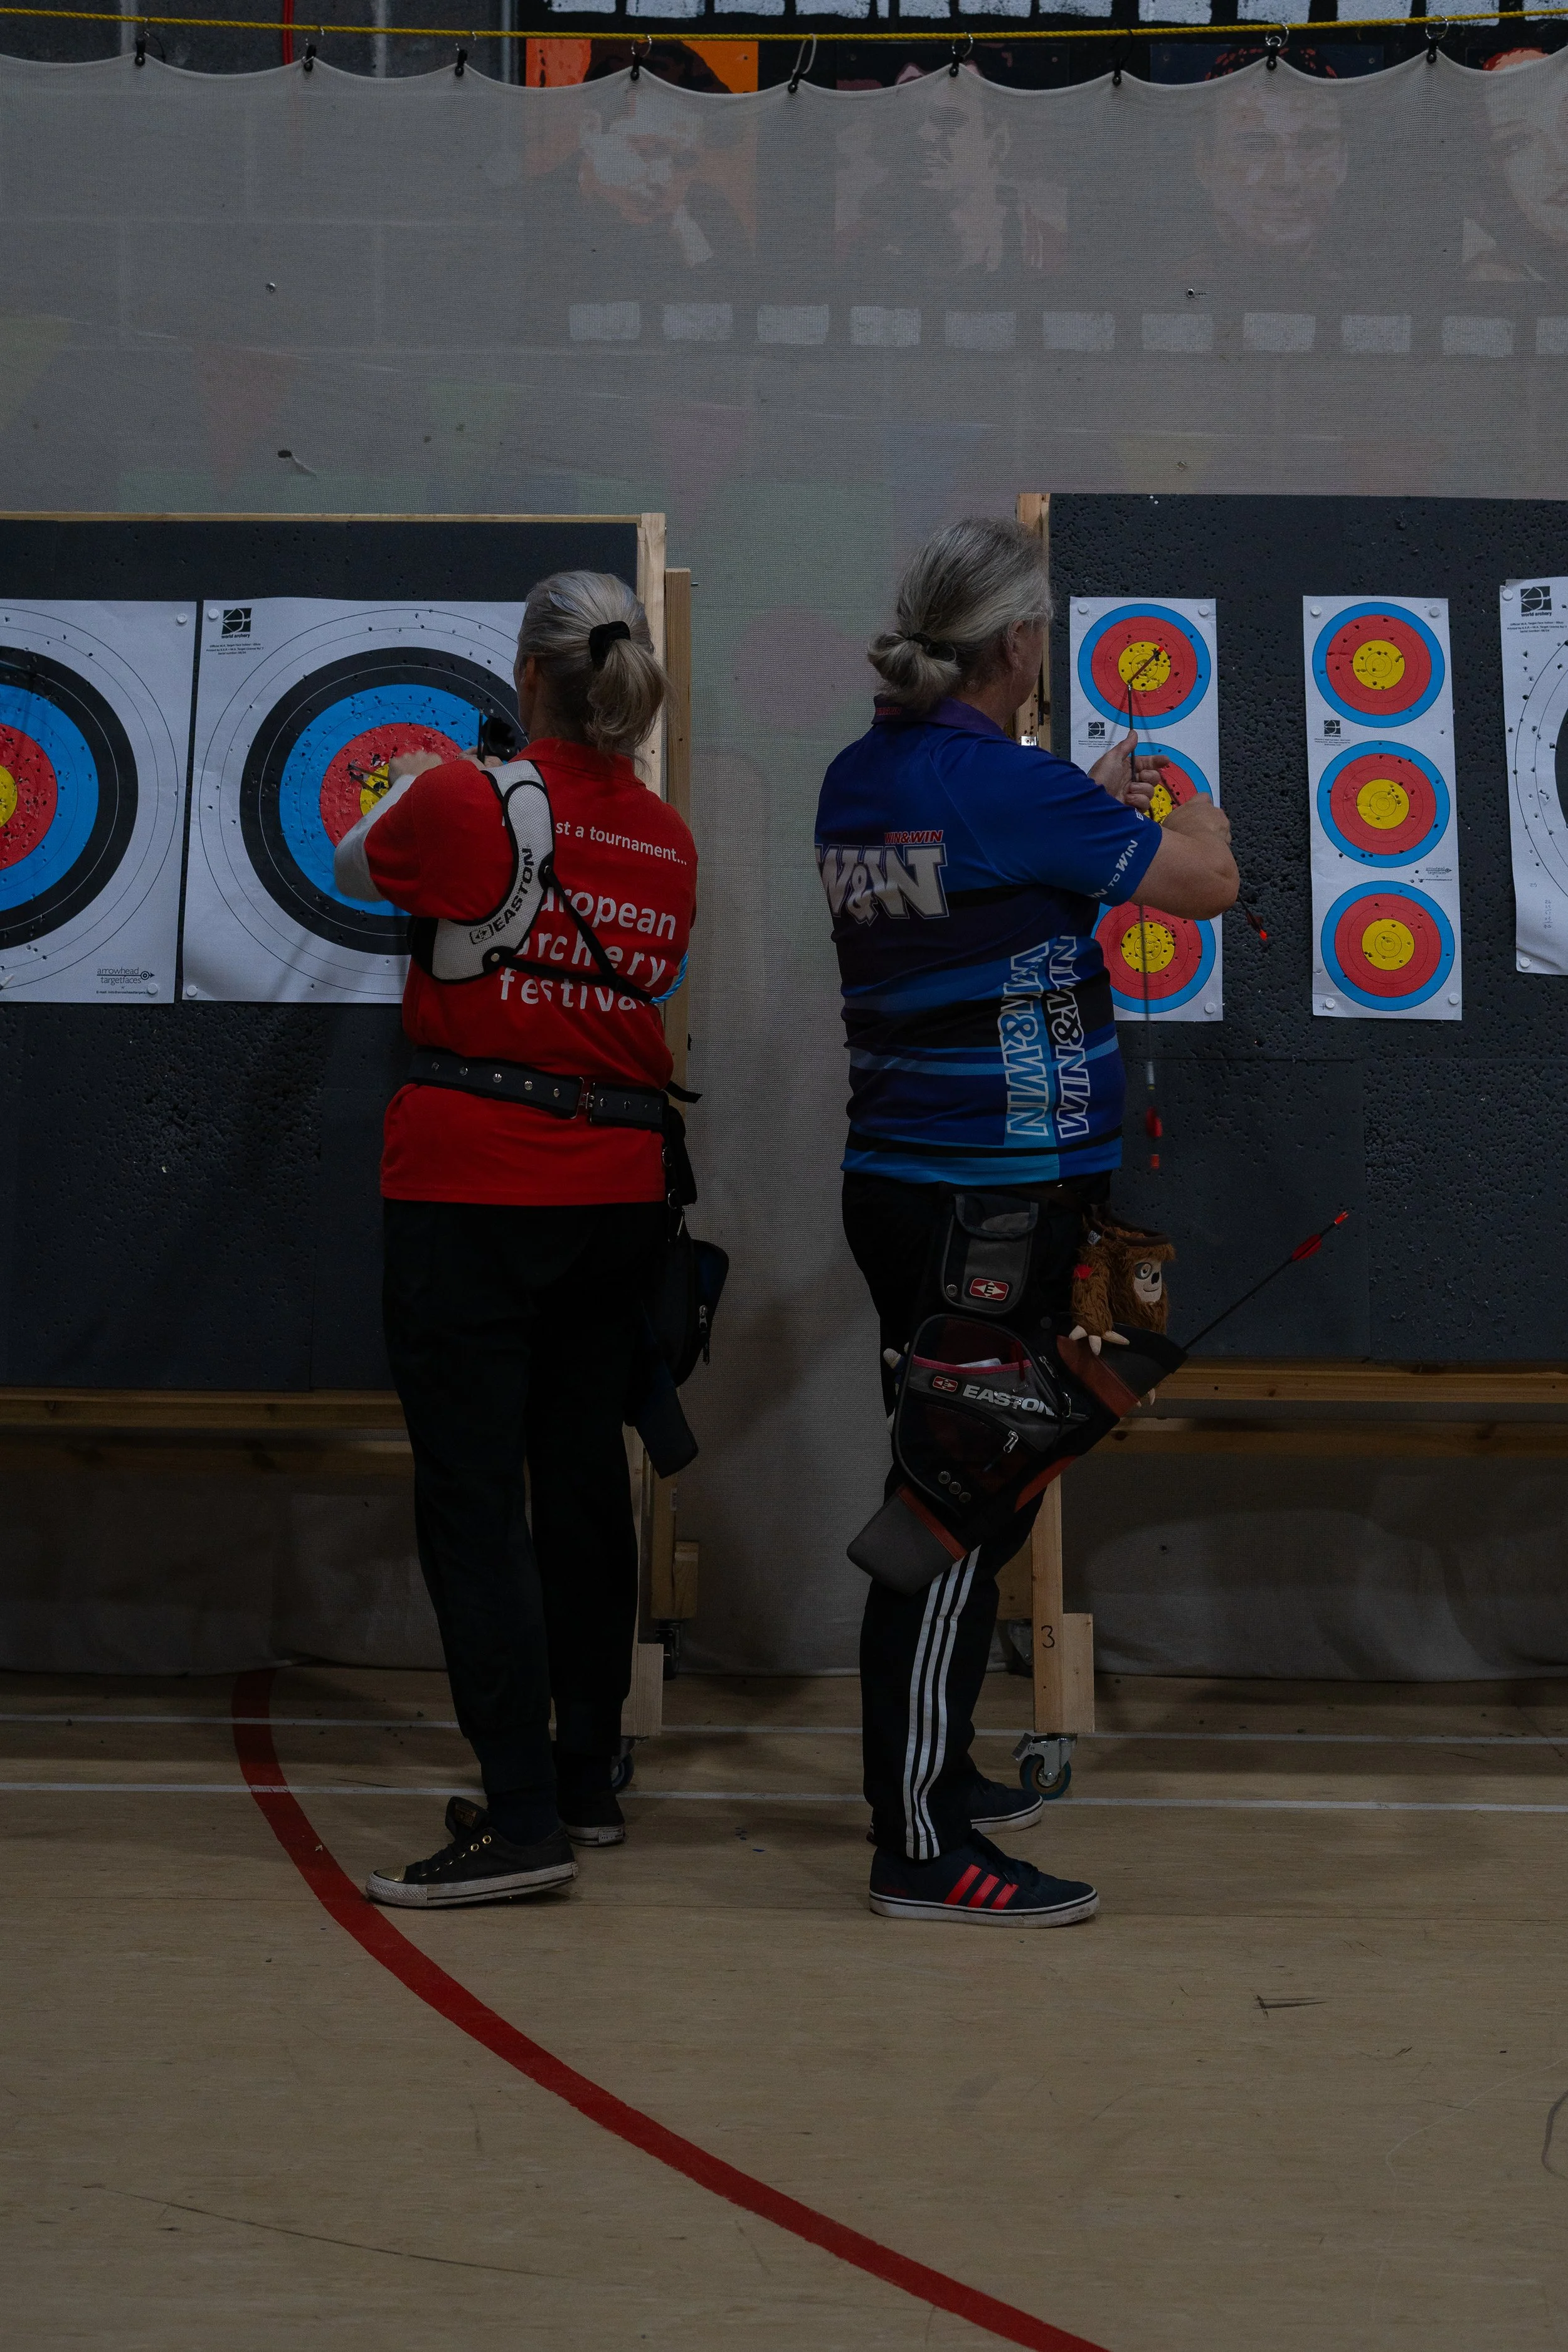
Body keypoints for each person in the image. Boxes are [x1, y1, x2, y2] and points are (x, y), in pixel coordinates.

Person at [815, 517, 1237, 1929]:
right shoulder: (1004, 791)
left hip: (910, 1185)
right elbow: (1203, 884)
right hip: (988, 1198)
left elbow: (981, 891)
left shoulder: (862, 774)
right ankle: (918, 1845)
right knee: (953, 1499)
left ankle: (938, 1778)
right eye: (1038, 637)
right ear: (1011, 647)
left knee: (972, 1479)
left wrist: (1076, 801)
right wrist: (1181, 813)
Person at [335, 571, 697, 1910]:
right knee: (581, 1475)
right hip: (614, 1192)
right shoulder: (667, 837)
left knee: (473, 1501)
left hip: (472, 1185)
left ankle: (520, 1818)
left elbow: (345, 864)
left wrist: (442, 771)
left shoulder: (457, 798)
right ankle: (586, 1772)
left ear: (525, 673)